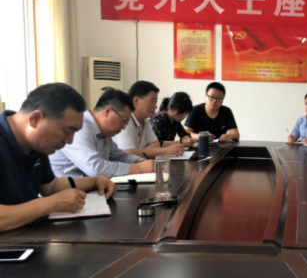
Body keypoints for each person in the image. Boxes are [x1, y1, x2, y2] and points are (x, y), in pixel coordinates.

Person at [0, 83, 116, 232]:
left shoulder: (37, 144)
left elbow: (50, 187)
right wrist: (52, 204)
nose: (70, 141)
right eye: (67, 131)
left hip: (27, 235)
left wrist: (95, 181)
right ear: (35, 119)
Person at [50, 88, 154, 178]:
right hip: (67, 190)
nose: (123, 127)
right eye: (124, 121)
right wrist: (139, 168)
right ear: (107, 111)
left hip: (89, 187)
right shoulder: (81, 126)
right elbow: (95, 168)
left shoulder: (104, 132)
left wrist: (140, 161)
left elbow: (118, 155)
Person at [113, 81, 185, 158]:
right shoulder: (126, 121)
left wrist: (138, 152)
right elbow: (128, 154)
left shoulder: (145, 121)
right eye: (152, 101)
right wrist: (165, 151)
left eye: (156, 101)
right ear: (136, 101)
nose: (155, 106)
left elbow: (156, 144)